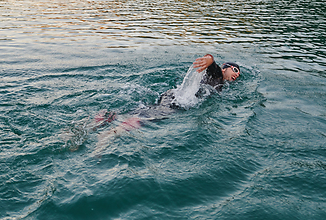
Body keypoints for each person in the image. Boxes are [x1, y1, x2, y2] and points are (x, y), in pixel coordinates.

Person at [91, 54, 241, 155]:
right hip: (178, 100)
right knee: (148, 118)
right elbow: (211, 63)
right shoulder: (217, 76)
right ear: (225, 67)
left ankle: (100, 119)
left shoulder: (221, 84)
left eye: (239, 74)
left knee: (144, 110)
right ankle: (107, 135)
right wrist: (209, 59)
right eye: (235, 70)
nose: (236, 74)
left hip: (174, 95)